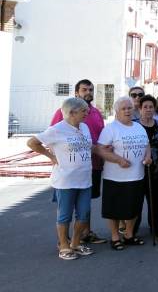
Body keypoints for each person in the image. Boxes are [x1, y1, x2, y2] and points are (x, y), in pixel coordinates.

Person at [29, 97, 95, 260]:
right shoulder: (57, 129)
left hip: (85, 179)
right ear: (72, 112)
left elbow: (87, 146)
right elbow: (32, 142)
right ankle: (63, 245)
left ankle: (75, 243)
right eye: (84, 110)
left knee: (84, 214)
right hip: (66, 180)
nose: (87, 113)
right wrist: (50, 156)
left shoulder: (84, 127)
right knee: (65, 215)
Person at [50, 79, 107, 245]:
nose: (88, 92)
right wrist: (54, 158)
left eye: (90, 89)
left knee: (85, 204)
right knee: (66, 206)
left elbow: (99, 138)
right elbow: (52, 138)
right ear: (76, 93)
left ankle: (85, 233)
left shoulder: (96, 113)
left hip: (92, 165)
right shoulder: (64, 111)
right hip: (69, 169)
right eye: (84, 89)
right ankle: (65, 240)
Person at [95, 97, 151, 250]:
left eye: (129, 108)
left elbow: (147, 145)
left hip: (137, 175)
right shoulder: (111, 129)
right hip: (115, 177)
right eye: (123, 109)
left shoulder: (139, 127)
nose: (127, 111)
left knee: (134, 207)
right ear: (117, 111)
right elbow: (100, 149)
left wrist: (148, 156)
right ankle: (114, 237)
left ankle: (129, 235)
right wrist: (118, 160)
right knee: (113, 209)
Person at [132, 94, 158, 238]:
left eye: (151, 107)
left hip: (156, 168)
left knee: (155, 200)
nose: (148, 109)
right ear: (140, 109)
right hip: (136, 168)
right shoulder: (133, 125)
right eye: (145, 107)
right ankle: (132, 229)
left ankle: (155, 226)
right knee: (136, 201)